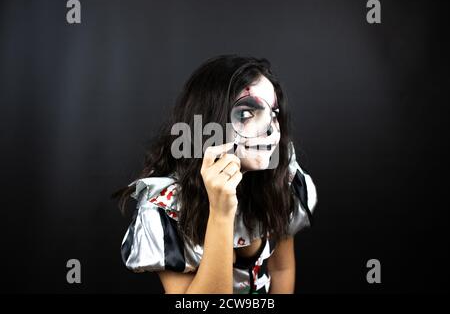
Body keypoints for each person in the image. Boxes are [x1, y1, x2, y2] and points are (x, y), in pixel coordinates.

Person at [112, 54, 318, 294]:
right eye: (247, 114)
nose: (271, 129)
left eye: (273, 112)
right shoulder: (165, 207)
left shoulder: (279, 177)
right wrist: (221, 213)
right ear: (210, 124)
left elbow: (282, 270)